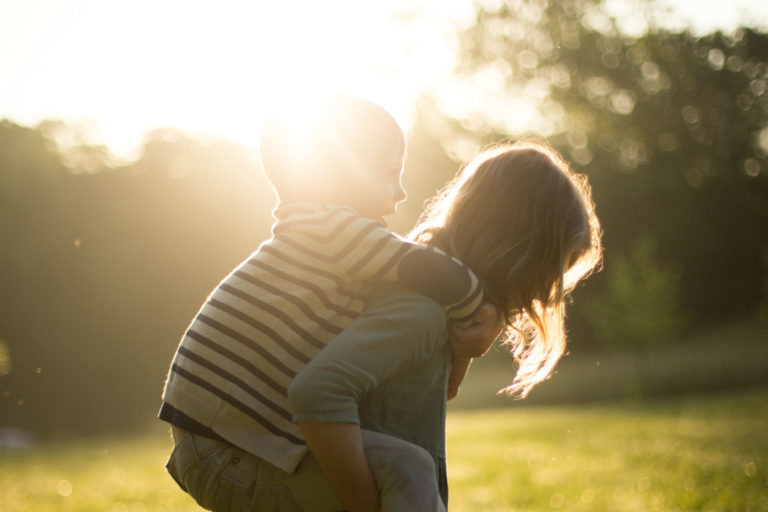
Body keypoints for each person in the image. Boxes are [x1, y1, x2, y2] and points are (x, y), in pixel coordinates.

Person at [159, 93, 494, 511]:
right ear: (341, 173)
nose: (402, 192)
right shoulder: (332, 229)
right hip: (226, 452)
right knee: (407, 466)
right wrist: (481, 312)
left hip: (221, 443)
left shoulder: (317, 234)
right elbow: (434, 270)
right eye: (390, 174)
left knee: (396, 463)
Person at [288, 141, 603, 510]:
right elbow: (318, 390)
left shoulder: (439, 304)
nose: (544, 294)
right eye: (549, 271)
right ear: (517, 250)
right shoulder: (422, 313)